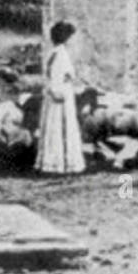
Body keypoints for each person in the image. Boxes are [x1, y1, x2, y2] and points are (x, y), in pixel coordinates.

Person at [37, 21, 85, 175]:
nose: (73, 40)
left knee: (58, 128)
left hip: (61, 94)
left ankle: (58, 163)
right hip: (60, 97)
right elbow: (55, 76)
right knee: (58, 128)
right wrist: (57, 92)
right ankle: (57, 164)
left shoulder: (55, 52)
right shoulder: (60, 54)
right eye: (71, 36)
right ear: (65, 37)